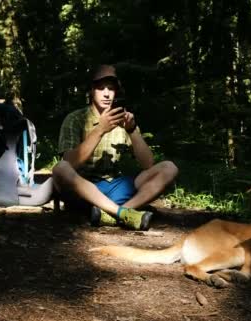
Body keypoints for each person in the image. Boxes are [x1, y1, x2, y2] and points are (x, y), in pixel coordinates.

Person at [52, 64, 178, 230]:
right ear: (91, 90)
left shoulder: (122, 119)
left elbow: (148, 164)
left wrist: (132, 130)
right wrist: (100, 130)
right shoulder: (75, 119)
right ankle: (122, 213)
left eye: (111, 89)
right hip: (82, 188)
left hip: (115, 186)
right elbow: (70, 162)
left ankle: (118, 213)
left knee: (169, 168)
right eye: (100, 88)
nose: (106, 93)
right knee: (60, 168)